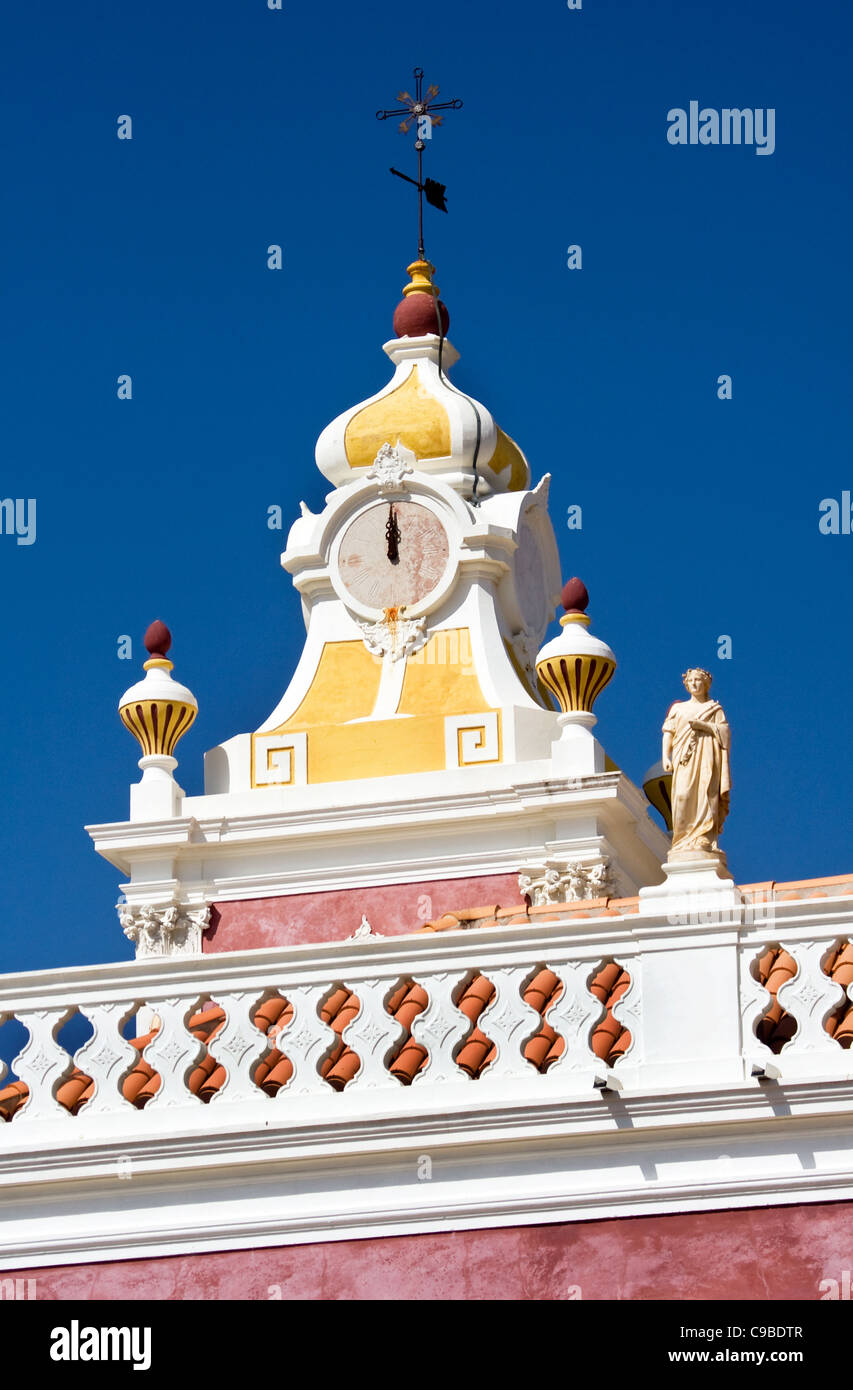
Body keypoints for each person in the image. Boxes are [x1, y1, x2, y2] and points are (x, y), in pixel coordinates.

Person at [662, 668, 731, 855]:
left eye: (698, 680)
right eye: (690, 680)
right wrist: (665, 757)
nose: (694, 683)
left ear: (706, 684)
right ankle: (682, 839)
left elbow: (725, 734)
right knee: (683, 796)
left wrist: (704, 726)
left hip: (707, 758)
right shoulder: (678, 708)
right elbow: (669, 732)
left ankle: (703, 836)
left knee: (705, 795)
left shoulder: (714, 709)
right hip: (683, 760)